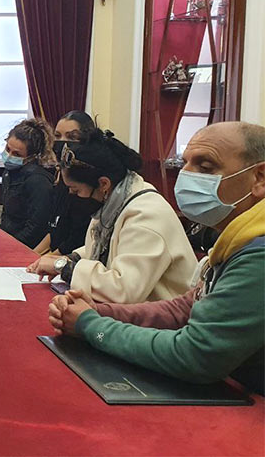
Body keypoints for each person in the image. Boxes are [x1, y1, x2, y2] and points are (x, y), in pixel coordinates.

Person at [48, 121, 264, 394]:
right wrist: (99, 312)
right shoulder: (237, 238)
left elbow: (195, 356)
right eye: (185, 163)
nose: (186, 175)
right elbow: (182, 309)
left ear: (259, 178)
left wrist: (91, 325)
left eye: (205, 167)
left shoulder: (258, 252)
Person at [28, 128, 196, 303]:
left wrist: (62, 267)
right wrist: (70, 258)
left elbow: (124, 290)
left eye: (75, 190)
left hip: (161, 320)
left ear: (103, 183)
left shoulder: (147, 216)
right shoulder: (114, 199)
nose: (72, 196)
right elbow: (104, 246)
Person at [33, 111, 98, 255]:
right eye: (57, 136)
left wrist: (52, 258)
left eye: (71, 137)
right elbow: (57, 226)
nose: (62, 142)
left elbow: (78, 235)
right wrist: (33, 255)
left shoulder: (88, 180)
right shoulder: (62, 176)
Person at [0, 118, 56, 248]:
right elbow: (7, 215)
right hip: (9, 238)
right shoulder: (8, 173)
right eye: (8, 149)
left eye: (17, 154)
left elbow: (37, 226)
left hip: (28, 246)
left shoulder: (38, 181)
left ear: (31, 156)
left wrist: (12, 246)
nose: (9, 155)